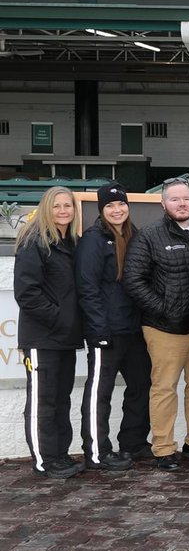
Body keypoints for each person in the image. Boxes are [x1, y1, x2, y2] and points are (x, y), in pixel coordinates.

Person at [124, 178, 189, 471]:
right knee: (164, 388)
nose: (182, 203)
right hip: (164, 328)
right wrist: (165, 310)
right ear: (163, 204)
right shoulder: (149, 236)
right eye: (174, 199)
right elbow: (134, 282)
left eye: (186, 198)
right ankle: (163, 448)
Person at [75, 182, 148, 471]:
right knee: (99, 391)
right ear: (102, 209)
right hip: (107, 331)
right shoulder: (93, 239)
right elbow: (87, 287)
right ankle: (96, 452)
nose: (117, 210)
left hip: (134, 329)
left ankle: (133, 443)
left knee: (141, 385)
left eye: (121, 204)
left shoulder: (135, 235)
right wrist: (98, 330)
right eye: (110, 206)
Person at [15, 187, 85, 479]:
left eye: (67, 205)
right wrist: (59, 319)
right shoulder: (35, 242)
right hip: (41, 338)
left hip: (65, 339)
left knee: (61, 398)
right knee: (43, 401)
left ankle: (59, 455)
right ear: (47, 208)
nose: (63, 210)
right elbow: (27, 293)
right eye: (56, 206)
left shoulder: (71, 243)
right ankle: (44, 459)